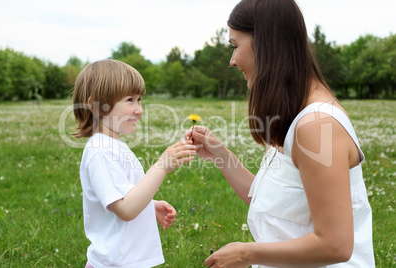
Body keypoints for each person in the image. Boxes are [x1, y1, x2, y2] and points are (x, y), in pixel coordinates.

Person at [186, 0, 375, 267]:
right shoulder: (294, 116)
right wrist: (222, 156)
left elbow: (335, 244)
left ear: (266, 43)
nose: (232, 60)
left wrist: (246, 253)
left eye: (235, 45)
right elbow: (273, 203)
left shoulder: (316, 125)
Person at [72, 59, 196, 268]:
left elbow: (121, 195)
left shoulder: (112, 145)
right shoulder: (100, 152)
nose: (138, 109)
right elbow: (126, 209)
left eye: (139, 100)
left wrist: (150, 206)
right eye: (129, 100)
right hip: (115, 262)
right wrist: (161, 166)